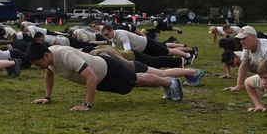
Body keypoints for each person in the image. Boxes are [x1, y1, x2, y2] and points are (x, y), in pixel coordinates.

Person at [25, 41, 184, 111]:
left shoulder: (65, 55)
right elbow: (49, 74)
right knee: (136, 83)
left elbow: (91, 77)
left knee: (138, 80)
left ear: (46, 55)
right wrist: (47, 97)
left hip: (108, 69)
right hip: (102, 78)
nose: (39, 68)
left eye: (38, 64)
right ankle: (167, 83)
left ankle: (170, 83)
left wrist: (86, 105)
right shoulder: (50, 60)